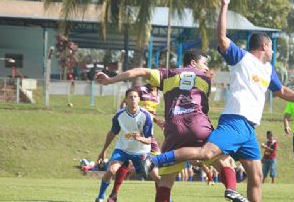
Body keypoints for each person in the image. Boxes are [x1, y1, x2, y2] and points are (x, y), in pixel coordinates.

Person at [141, 0, 294, 202]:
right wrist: (224, 6)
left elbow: (282, 91)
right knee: (207, 154)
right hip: (234, 122)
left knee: (256, 175)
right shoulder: (242, 58)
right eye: (271, 47)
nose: (273, 51)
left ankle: (230, 189)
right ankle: (156, 161)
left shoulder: (268, 70)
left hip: (249, 130)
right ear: (264, 45)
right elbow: (221, 37)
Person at [96, 49, 240, 202]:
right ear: (193, 63)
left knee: (166, 181)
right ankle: (231, 190)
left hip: (174, 131)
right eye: (204, 63)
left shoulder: (167, 74)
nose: (206, 68)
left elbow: (140, 71)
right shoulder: (205, 79)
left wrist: (110, 80)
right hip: (199, 128)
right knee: (224, 160)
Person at [95, 87, 158, 202]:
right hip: (123, 149)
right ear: (126, 100)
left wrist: (139, 138)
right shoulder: (119, 115)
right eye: (130, 97)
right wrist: (103, 151)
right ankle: (100, 197)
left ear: (139, 99)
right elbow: (113, 132)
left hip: (142, 152)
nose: (133, 99)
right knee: (111, 170)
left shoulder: (146, 116)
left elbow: (149, 140)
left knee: (156, 176)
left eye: (135, 97)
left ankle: (166, 199)